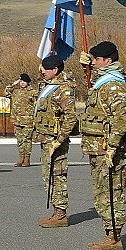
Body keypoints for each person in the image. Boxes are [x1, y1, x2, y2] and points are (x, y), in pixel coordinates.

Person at [80, 41, 126, 250]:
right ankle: (109, 232)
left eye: (96, 60)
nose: (93, 63)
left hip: (108, 149)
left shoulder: (113, 85)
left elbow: (121, 118)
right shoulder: (102, 82)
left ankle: (114, 237)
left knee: (112, 193)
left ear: (108, 60)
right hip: (98, 147)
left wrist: (113, 147)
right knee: (102, 192)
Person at [32, 55, 77, 228]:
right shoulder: (48, 86)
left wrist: (60, 139)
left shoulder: (63, 89)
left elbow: (70, 117)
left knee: (57, 175)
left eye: (46, 69)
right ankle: (56, 210)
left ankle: (60, 214)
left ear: (55, 70)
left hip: (55, 140)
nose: (42, 71)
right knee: (48, 176)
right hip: (46, 137)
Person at [5, 73, 38, 166]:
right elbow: (6, 92)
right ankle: (21, 158)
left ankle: (27, 158)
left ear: (28, 82)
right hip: (17, 119)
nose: (22, 83)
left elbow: (38, 104)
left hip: (28, 120)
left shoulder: (33, 92)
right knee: (19, 140)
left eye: (24, 81)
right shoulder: (16, 91)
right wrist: (13, 83)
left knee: (27, 139)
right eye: (21, 81)